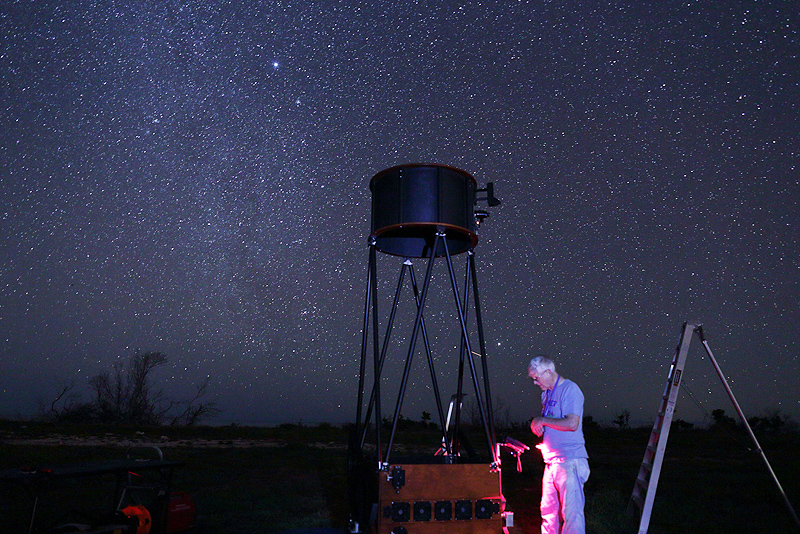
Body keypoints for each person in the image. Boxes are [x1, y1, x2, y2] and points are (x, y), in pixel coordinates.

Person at [528, 355, 589, 534]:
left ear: (548, 372)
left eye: (536, 378)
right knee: (548, 513)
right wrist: (539, 425)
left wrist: (542, 420)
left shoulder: (570, 389)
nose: (535, 383)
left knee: (572, 516)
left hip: (570, 461)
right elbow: (550, 422)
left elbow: (572, 424)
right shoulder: (546, 394)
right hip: (552, 462)